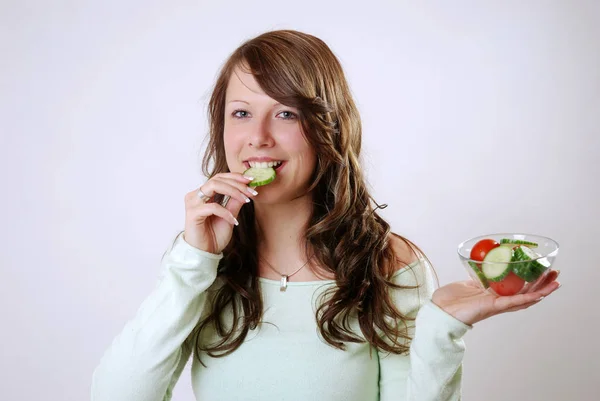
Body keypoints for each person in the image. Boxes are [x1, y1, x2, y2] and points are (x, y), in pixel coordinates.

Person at [91, 30, 560, 401]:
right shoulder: (201, 261)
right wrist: (193, 262)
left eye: (287, 115)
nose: (257, 136)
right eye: (240, 113)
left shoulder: (388, 263)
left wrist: (441, 331)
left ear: (328, 128)